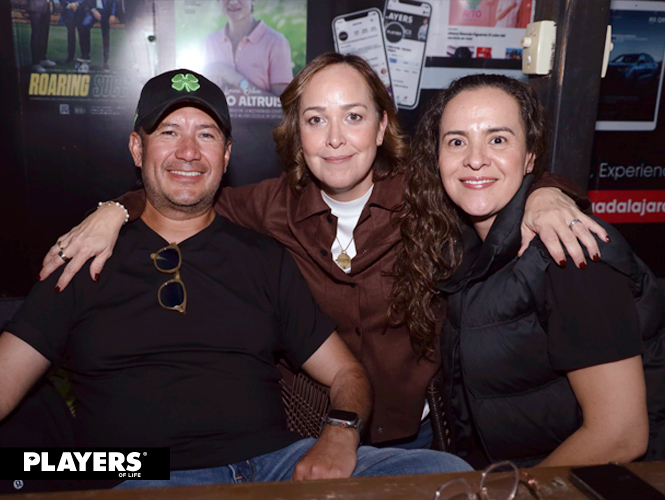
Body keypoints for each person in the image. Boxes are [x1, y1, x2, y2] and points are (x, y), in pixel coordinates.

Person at [40, 53, 606, 449]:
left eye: (353, 117)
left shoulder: (433, 193)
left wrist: (549, 194)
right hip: (304, 442)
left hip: (427, 436)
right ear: (298, 133)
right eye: (316, 120)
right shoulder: (267, 205)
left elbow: (493, 174)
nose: (335, 138)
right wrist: (112, 210)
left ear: (383, 126)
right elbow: (182, 191)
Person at [0, 69, 473, 491]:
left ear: (226, 156)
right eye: (169, 132)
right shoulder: (84, 256)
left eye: (205, 135)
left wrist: (338, 435)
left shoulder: (263, 255)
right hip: (144, 474)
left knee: (449, 475)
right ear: (136, 147)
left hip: (275, 466)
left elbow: (347, 374)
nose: (188, 151)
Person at [392, 73, 665, 468]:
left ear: (531, 157)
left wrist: (508, 493)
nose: (475, 158)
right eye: (456, 141)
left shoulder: (571, 251)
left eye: (498, 139)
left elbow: (620, 436)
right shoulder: (459, 247)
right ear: (437, 158)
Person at [202, 0, 293, 97]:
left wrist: (236, 79)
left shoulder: (276, 42)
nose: (233, 2)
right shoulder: (211, 42)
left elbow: (281, 105)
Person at [78, 0, 118, 71]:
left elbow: (114, 2)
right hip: (94, 11)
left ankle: (106, 61)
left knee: (106, 35)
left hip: (106, 12)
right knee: (84, 26)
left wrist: (112, 14)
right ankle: (86, 55)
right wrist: (93, 10)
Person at [27, 0, 56, 73]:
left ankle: (42, 58)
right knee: (36, 35)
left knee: (44, 34)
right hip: (36, 6)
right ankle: (35, 63)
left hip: (46, 7)